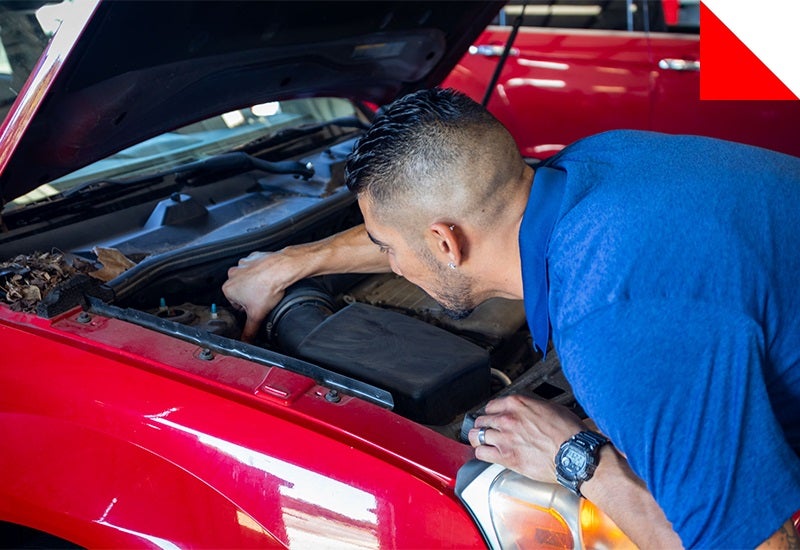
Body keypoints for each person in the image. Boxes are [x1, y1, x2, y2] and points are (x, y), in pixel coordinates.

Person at [223, 88, 800, 548]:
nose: (392, 265)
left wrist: (578, 460)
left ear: (444, 244)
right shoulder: (597, 162)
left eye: (387, 248)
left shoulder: (612, 318)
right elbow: (446, 225)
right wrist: (293, 262)